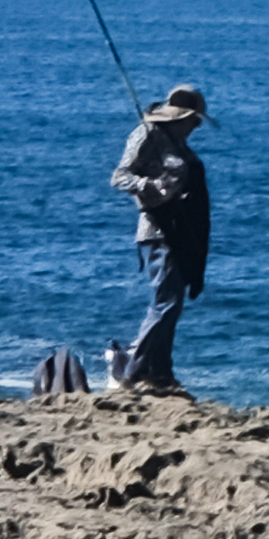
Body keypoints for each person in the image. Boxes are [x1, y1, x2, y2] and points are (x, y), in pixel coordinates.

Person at [108, 85, 213, 396]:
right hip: (159, 230)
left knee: (173, 304)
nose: (196, 128)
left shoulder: (179, 145)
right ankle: (135, 371)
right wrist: (151, 185)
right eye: (194, 121)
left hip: (183, 232)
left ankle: (161, 372)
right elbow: (120, 177)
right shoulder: (147, 135)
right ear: (181, 117)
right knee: (164, 303)